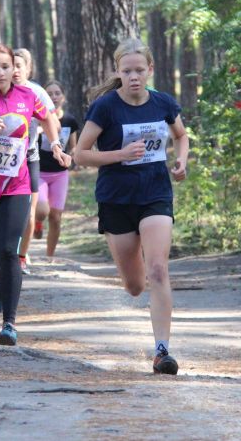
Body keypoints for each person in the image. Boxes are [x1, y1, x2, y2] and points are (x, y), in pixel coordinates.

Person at [75, 38, 189, 375]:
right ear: (118, 72)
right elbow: (80, 154)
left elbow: (181, 135)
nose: (134, 76)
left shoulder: (163, 103)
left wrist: (181, 161)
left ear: (150, 70)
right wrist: (120, 155)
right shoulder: (105, 107)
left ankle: (162, 351)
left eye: (140, 70)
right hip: (116, 198)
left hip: (155, 194)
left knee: (158, 270)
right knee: (135, 285)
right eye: (127, 71)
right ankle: (133, 273)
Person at [0, 43, 71, 346]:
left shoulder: (28, 95)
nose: (1, 72)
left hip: (16, 184)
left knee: (9, 251)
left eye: (5, 66)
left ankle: (9, 323)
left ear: (14, 68)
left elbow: (48, 118)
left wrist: (55, 145)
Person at [12, 48, 60, 275]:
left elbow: (53, 122)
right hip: (2, 161)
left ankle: (21, 256)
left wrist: (48, 135)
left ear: (27, 69)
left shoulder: (36, 91)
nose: (14, 71)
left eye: (19, 66)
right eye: (10, 66)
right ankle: (4, 251)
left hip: (29, 156)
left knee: (29, 211)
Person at [34, 81, 79, 260]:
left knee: (56, 217)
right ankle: (37, 222)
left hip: (60, 173)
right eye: (49, 94)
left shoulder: (70, 120)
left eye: (57, 93)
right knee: (42, 211)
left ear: (63, 97)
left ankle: (49, 257)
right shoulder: (39, 118)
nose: (53, 97)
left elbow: (73, 146)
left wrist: (74, 154)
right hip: (39, 171)